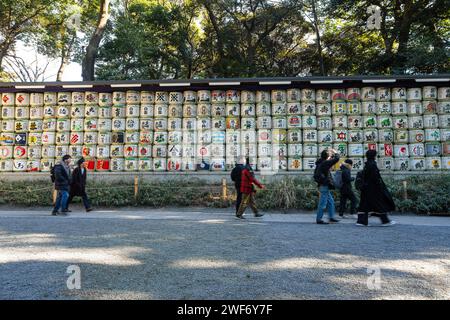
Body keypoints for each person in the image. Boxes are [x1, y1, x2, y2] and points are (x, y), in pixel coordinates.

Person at [357, 150, 396, 227]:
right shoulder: (372, 164)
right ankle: (385, 221)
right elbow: (375, 178)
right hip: (373, 189)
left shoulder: (367, 164)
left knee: (365, 205)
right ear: (373, 156)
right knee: (379, 204)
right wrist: (380, 187)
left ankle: (361, 221)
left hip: (366, 188)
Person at [314, 149, 340, 224]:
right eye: (329, 156)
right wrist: (335, 152)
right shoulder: (325, 163)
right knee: (322, 203)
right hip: (324, 185)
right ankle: (319, 219)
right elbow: (337, 159)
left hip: (324, 185)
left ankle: (331, 217)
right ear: (327, 157)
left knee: (330, 201)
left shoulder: (320, 162)